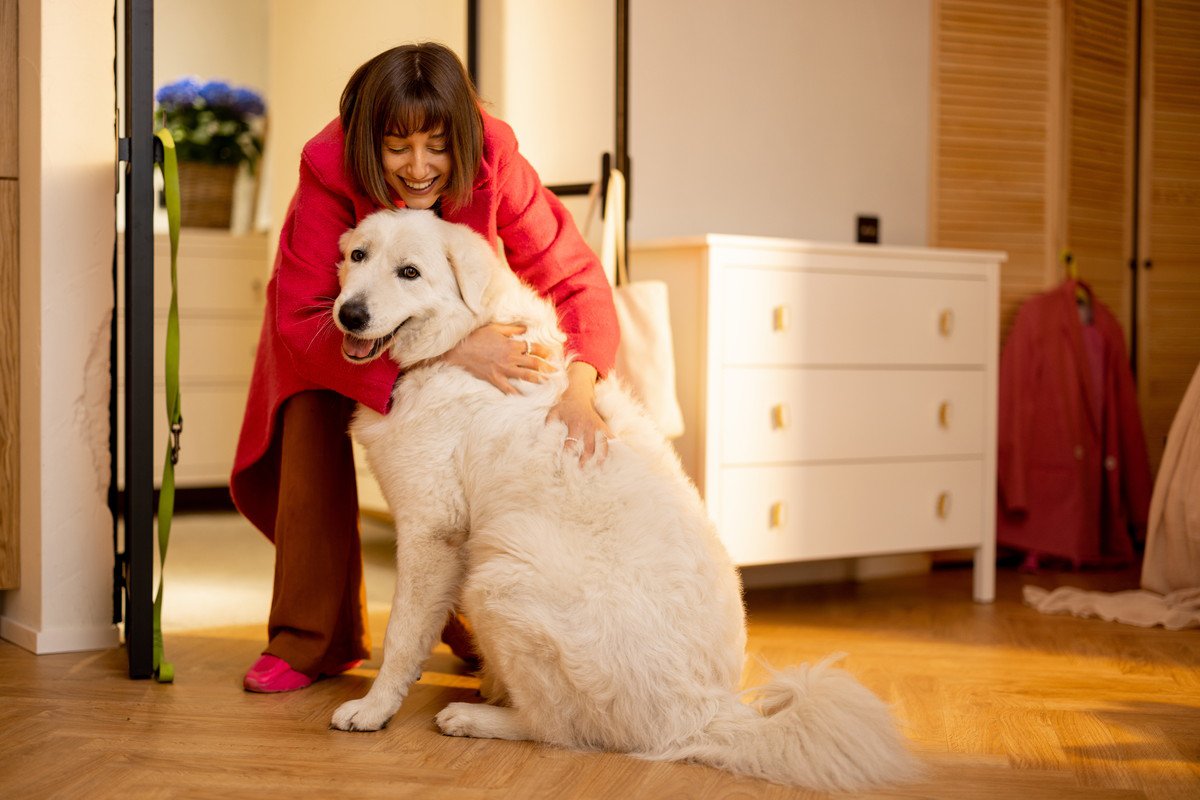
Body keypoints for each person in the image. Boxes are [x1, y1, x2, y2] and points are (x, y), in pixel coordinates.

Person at [230, 42, 619, 693]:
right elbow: (303, 319)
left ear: (462, 142)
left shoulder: (494, 156)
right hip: (331, 321)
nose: (418, 168)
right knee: (309, 405)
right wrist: (459, 347)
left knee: (486, 406)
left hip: (433, 310)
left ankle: (466, 612)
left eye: (437, 147)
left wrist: (582, 390)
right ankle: (310, 635)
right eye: (397, 147)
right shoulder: (327, 165)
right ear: (365, 144)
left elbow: (576, 277)